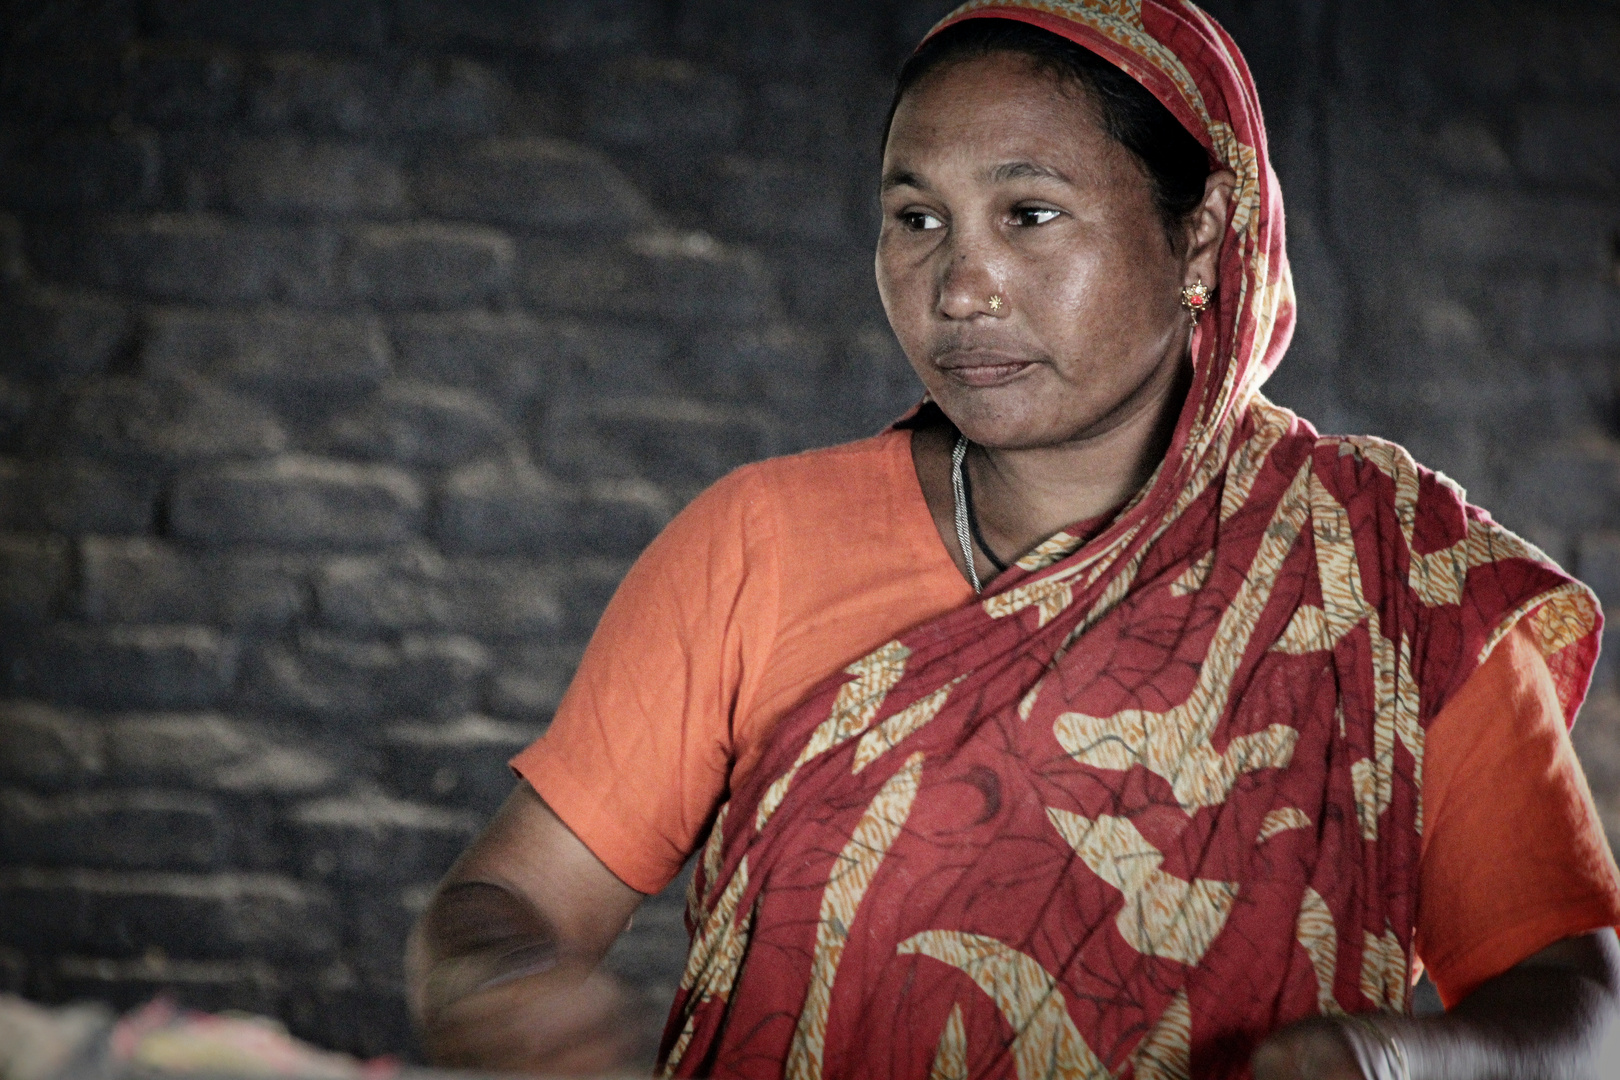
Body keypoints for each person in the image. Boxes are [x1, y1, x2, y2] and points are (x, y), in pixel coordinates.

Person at [406, 3, 1620, 1078]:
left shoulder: (1388, 581)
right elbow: (509, 898)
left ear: (1201, 238)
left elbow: (1581, 1010)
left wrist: (1381, 1062)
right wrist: (498, 979)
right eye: (917, 218)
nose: (961, 285)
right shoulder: (757, 543)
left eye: (1029, 214)